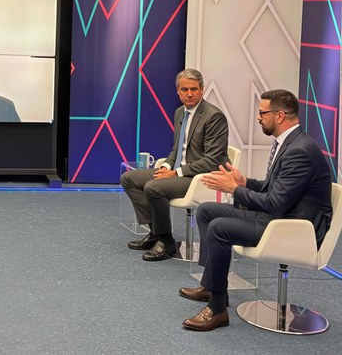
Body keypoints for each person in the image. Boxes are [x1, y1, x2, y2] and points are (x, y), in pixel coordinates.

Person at [178, 89, 332, 331]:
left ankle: (218, 309)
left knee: (219, 228)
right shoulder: (290, 143)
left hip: (293, 228)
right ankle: (211, 286)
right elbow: (274, 190)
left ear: (279, 115)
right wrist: (244, 183)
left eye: (262, 113)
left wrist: (234, 189)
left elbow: (275, 203)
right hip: (280, 217)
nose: (258, 118)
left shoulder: (299, 150)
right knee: (207, 211)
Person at [120, 68, 229, 261]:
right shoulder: (180, 112)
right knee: (129, 179)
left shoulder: (213, 116)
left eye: (194, 89)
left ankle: (166, 240)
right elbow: (177, 149)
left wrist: (176, 173)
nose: (189, 94)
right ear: (177, 91)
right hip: (180, 171)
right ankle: (155, 232)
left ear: (202, 90)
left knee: (153, 187)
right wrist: (167, 166)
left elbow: (212, 160)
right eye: (184, 89)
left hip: (201, 177)